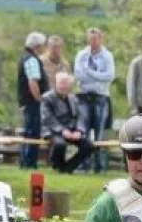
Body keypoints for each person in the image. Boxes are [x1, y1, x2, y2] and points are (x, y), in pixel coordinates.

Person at [73, 27, 116, 173]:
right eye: (91, 39)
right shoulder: (81, 55)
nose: (93, 41)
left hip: (100, 97)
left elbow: (109, 76)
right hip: (84, 96)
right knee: (83, 131)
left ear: (100, 39)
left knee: (99, 133)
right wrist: (97, 76)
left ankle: (99, 166)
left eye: (96, 38)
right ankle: (83, 165)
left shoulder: (107, 56)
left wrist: (90, 73)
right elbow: (78, 75)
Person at [41, 72, 92, 174]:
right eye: (61, 83)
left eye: (66, 83)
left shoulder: (74, 98)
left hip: (72, 130)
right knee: (60, 144)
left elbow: (81, 117)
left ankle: (68, 167)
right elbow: (48, 118)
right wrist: (62, 131)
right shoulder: (47, 98)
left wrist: (79, 131)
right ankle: (59, 166)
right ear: (56, 84)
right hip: (53, 131)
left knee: (88, 145)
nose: (63, 86)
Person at [17, 31, 48, 169]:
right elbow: (33, 81)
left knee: (29, 131)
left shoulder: (25, 57)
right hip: (32, 102)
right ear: (37, 46)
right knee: (32, 132)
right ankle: (29, 162)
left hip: (27, 101)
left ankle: (26, 161)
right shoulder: (32, 60)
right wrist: (39, 98)